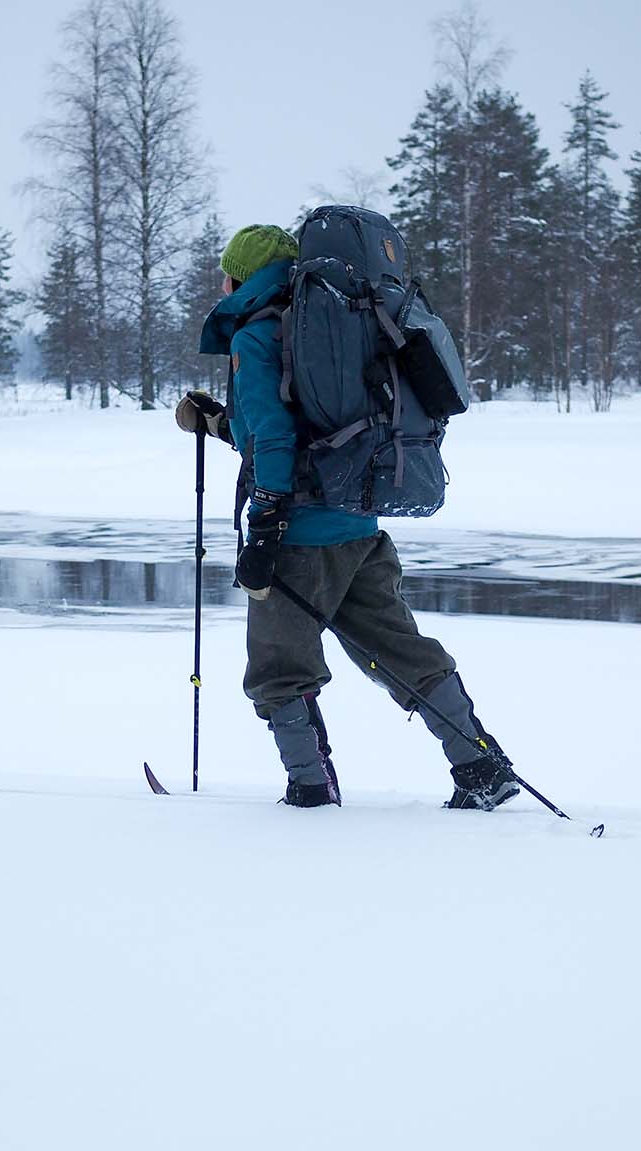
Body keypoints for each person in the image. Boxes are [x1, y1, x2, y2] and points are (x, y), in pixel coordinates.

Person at [176, 222, 523, 811]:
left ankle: (310, 788)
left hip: (297, 537)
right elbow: (297, 432)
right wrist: (218, 422)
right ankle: (481, 766)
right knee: (399, 649)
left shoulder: (257, 336)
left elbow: (276, 436)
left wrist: (265, 525)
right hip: (361, 525)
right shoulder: (331, 327)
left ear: (240, 274)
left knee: (280, 670)